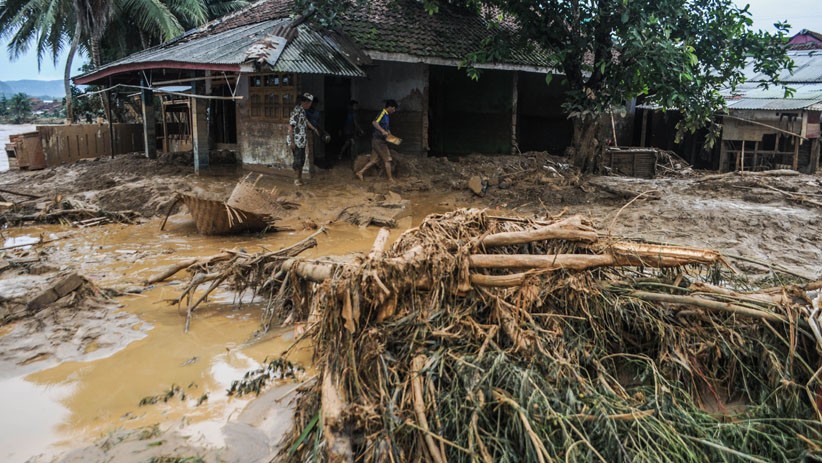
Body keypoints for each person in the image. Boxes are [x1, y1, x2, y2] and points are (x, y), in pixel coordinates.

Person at [355, 99, 398, 182]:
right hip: (379, 141)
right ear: (390, 107)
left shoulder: (387, 115)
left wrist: (389, 134)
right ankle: (390, 179)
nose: (394, 111)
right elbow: (374, 123)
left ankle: (360, 172)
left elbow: (386, 128)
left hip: (377, 141)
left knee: (374, 160)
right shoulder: (382, 113)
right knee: (388, 159)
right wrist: (382, 131)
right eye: (394, 108)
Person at [288, 92, 320, 186]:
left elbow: (306, 121)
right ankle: (296, 179)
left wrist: (314, 129)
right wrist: (292, 142)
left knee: (302, 159)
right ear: (305, 102)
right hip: (296, 141)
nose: (310, 105)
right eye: (310, 103)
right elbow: (290, 127)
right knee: (298, 160)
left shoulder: (302, 111)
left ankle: (300, 179)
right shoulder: (296, 111)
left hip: (301, 140)